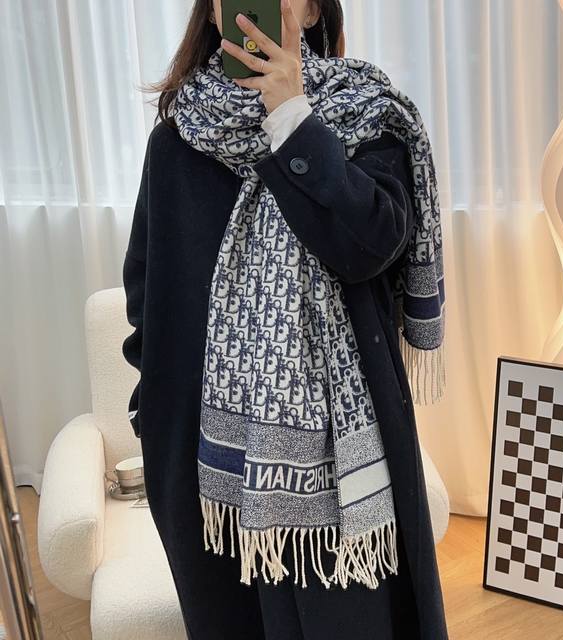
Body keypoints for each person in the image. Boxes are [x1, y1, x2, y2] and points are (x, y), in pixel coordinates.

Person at [121, 0, 449, 638]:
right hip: (206, 462)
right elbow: (147, 287)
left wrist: (293, 118)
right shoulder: (178, 140)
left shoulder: (366, 115)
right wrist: (150, 413)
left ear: (313, 11)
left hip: (343, 463)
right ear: (214, 15)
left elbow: (369, 246)